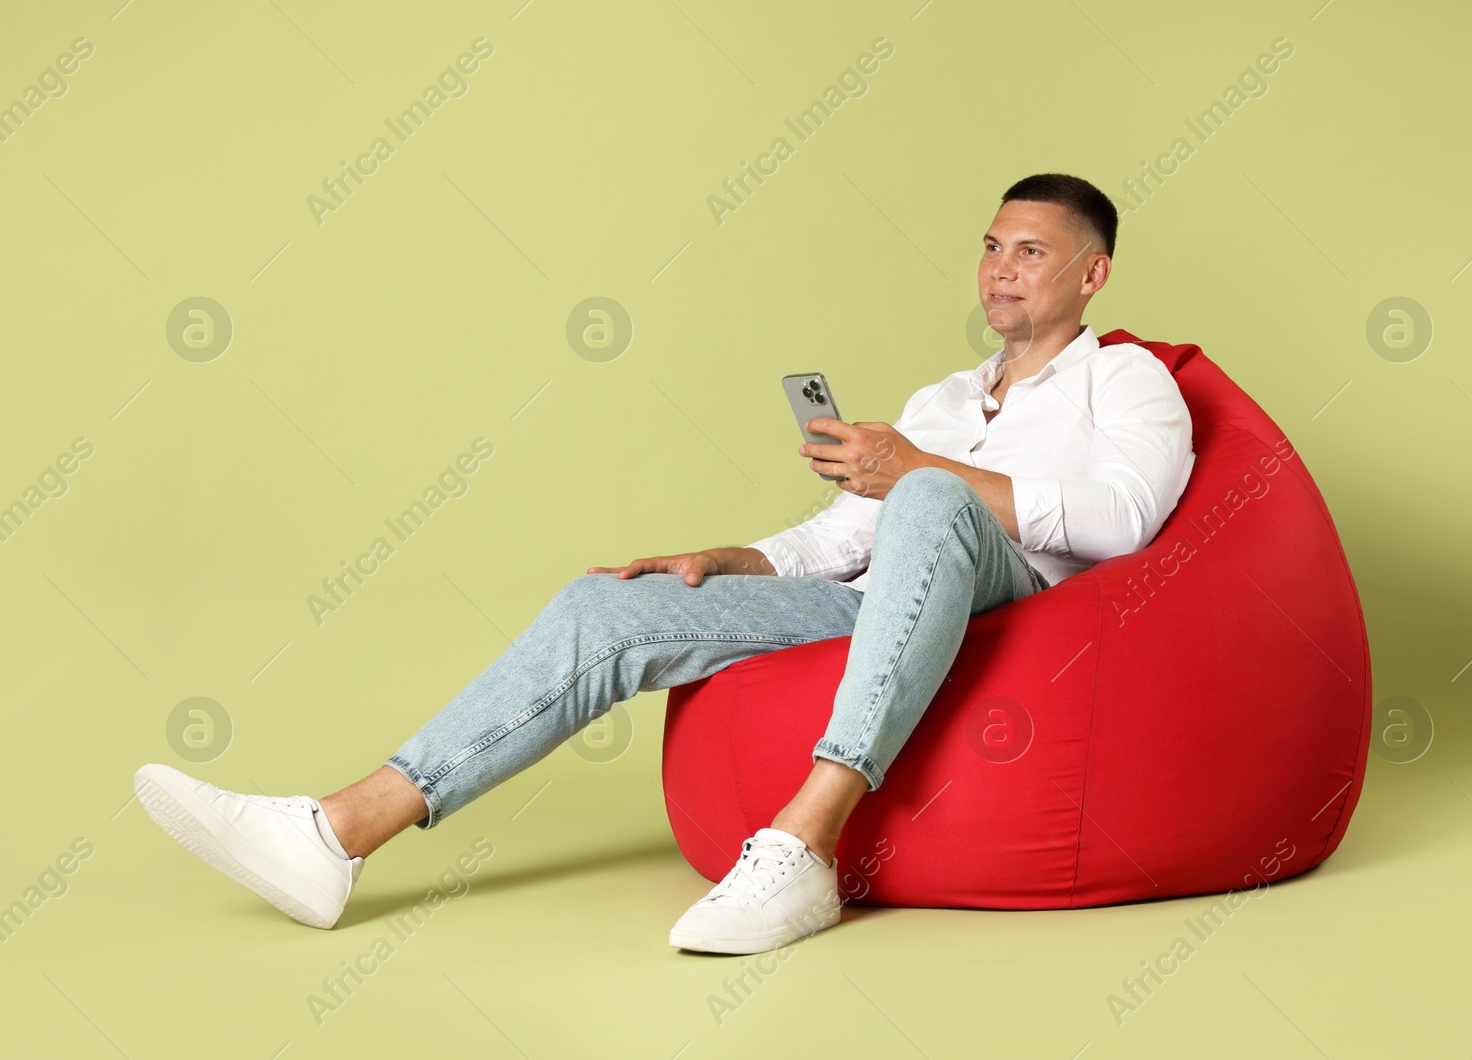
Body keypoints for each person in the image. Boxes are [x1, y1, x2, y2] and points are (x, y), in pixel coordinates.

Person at [134, 172, 1194, 955]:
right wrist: (732, 557)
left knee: (924, 493)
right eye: (992, 246)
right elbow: (838, 544)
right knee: (610, 603)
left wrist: (925, 473)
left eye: (1030, 252)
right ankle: (337, 830)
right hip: (881, 604)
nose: (1000, 271)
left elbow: (1128, 520)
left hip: (1021, 608)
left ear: (1091, 272)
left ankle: (805, 844)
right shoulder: (944, 401)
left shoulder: (1129, 379)